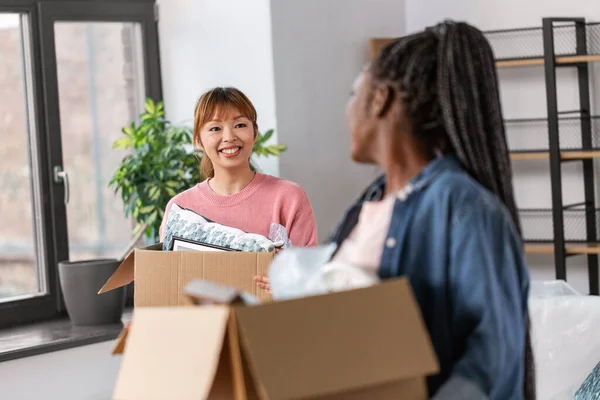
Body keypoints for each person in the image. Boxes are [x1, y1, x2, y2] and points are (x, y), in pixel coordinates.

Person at [327, 21, 534, 399]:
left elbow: (494, 355)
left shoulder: (463, 207)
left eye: (353, 93)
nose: (346, 111)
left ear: (380, 99)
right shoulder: (365, 207)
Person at [159, 87, 318, 254]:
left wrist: (280, 278)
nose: (229, 137)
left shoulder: (288, 197)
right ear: (199, 140)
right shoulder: (180, 208)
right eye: (215, 128)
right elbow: (169, 275)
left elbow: (309, 274)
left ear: (255, 133)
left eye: (240, 125)